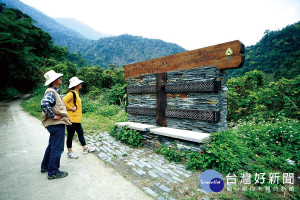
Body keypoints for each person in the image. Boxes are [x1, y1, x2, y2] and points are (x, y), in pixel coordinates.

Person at [40, 70, 72, 180]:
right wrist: (53, 116)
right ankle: (53, 171)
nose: (60, 79)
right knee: (57, 148)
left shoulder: (54, 91)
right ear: (54, 81)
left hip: (54, 125)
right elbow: (44, 103)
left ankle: (45, 166)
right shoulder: (51, 92)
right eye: (58, 78)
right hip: (56, 124)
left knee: (52, 146)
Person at [63, 77, 95, 159]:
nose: (81, 84)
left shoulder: (76, 93)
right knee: (70, 135)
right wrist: (70, 108)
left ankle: (85, 148)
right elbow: (63, 101)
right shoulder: (71, 93)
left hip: (76, 119)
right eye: (79, 83)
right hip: (71, 118)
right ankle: (69, 152)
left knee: (80, 133)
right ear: (76, 85)